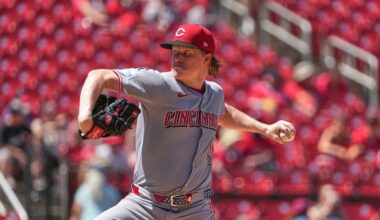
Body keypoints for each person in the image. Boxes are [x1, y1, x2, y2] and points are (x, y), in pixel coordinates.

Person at [78, 23, 296, 220]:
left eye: (187, 52)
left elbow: (223, 113)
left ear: (206, 58)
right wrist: (85, 117)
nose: (178, 57)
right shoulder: (158, 84)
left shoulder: (214, 94)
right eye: (175, 51)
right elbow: (98, 76)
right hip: (144, 205)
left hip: (195, 210)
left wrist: (265, 128)